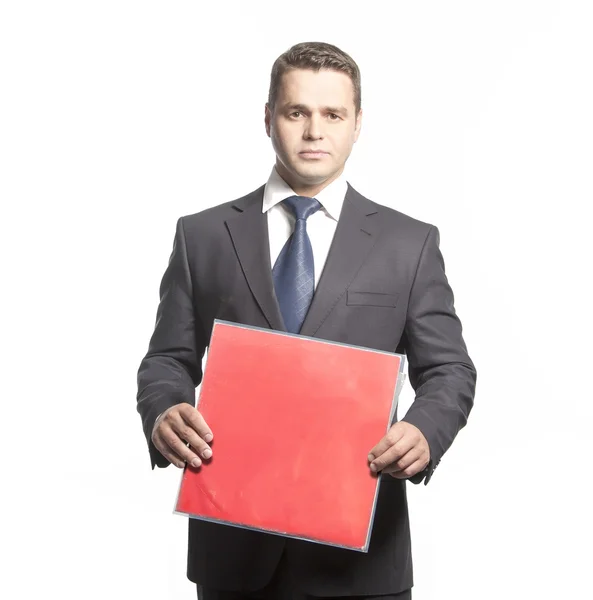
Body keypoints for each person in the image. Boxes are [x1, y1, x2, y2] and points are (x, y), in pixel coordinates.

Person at [136, 41, 476, 600]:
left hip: (363, 553)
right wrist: (164, 407)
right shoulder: (201, 237)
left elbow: (450, 370)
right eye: (297, 112)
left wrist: (424, 431)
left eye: (332, 114)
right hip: (233, 549)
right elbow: (168, 358)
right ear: (268, 118)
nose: (314, 131)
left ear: (357, 123)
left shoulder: (408, 244)